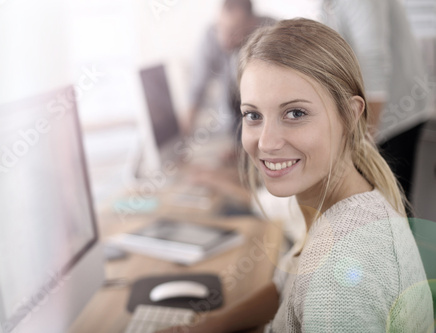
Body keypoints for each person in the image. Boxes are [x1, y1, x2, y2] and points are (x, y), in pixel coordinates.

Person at [158, 18, 433, 333]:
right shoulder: (339, 200)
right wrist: (208, 326)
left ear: (351, 116)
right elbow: (288, 286)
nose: (266, 142)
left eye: (295, 113)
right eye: (253, 115)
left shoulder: (341, 278)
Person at [321, 0, 432, 208]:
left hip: (395, 112)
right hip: (369, 111)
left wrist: (364, 140)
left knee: (389, 206)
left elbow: (373, 60)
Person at [185, 0, 277, 136]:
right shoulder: (211, 35)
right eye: (221, 28)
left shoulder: (273, 32)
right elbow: (196, 89)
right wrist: (184, 139)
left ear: (252, 23)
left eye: (233, 32)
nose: (224, 39)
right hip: (231, 119)